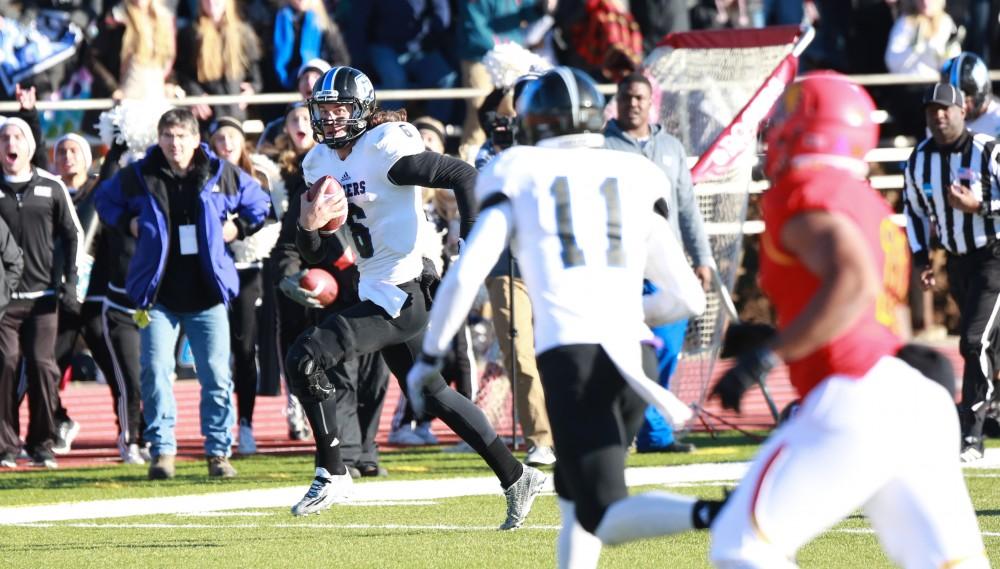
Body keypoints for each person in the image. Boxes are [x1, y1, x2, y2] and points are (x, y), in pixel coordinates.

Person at [407, 66, 707, 567]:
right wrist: (628, 310)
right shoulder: (632, 172)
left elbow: (466, 273)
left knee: (603, 511)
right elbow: (689, 299)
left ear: (532, 123)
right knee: (575, 502)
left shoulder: (518, 169)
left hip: (576, 362)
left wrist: (431, 355)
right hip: (637, 356)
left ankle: (718, 514)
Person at [707, 72, 987, 567]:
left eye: (787, 118)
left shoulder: (804, 190)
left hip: (854, 397)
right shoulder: (867, 201)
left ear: (810, 127)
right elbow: (875, 310)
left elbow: (853, 281)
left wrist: (773, 353)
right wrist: (780, 334)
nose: (775, 132)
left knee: (742, 543)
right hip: (911, 398)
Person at [285, 66, 546, 526]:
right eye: (323, 111)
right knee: (433, 393)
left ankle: (333, 470)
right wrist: (308, 226)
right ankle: (516, 476)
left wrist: (471, 245)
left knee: (305, 358)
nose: (330, 120)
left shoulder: (384, 149)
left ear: (362, 110)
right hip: (374, 285)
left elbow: (462, 174)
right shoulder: (318, 164)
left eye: (339, 109)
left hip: (404, 290)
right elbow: (313, 253)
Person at [94, 108, 270, 480]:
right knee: (155, 373)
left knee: (218, 377)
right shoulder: (140, 174)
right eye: (168, 136)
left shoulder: (221, 173)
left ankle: (218, 452)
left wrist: (237, 228)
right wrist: (126, 223)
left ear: (195, 139)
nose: (174, 144)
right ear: (159, 139)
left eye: (181, 136)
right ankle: (162, 451)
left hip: (208, 294)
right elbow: (104, 200)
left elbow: (260, 203)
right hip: (159, 297)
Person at [604, 72, 714, 454]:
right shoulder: (603, 147)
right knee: (632, 350)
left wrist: (702, 258)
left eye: (639, 97)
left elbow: (687, 207)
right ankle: (652, 434)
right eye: (626, 96)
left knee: (666, 350)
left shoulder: (671, 147)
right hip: (623, 266)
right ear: (616, 101)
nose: (632, 103)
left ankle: (648, 429)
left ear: (651, 102)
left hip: (667, 264)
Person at [902, 82, 1000, 462]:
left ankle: (971, 435)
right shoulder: (919, 159)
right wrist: (921, 256)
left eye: (945, 109)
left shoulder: (986, 150)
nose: (939, 116)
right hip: (959, 261)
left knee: (974, 342)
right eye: (931, 111)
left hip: (994, 254)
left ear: (964, 111)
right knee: (990, 346)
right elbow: (913, 210)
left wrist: (981, 205)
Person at [474, 78, 557, 466]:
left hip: (555, 261)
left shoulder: (561, 144)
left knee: (567, 350)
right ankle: (540, 438)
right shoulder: (493, 148)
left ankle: (579, 430)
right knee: (520, 353)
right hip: (508, 263)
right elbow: (487, 195)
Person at [0, 118, 80, 470]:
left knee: (43, 367)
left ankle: (42, 443)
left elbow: (73, 233)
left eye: (17, 136)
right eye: (4, 137)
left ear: (30, 147)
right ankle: (5, 445)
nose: (10, 143)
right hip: (4, 300)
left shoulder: (51, 186)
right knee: (4, 363)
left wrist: (71, 281)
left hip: (44, 297)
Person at [208, 117, 281, 455]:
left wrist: (238, 228)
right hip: (208, 273)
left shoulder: (257, 178)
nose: (226, 142)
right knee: (212, 354)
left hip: (248, 273)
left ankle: (246, 424)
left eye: (231, 136)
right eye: (219, 137)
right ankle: (216, 425)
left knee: (244, 349)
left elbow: (268, 216)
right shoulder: (203, 177)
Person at [175, 0, 263, 125]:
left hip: (236, 114)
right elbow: (182, 73)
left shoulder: (243, 33)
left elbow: (256, 75)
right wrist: (195, 94)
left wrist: (252, 89)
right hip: (206, 115)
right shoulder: (190, 33)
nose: (211, 1)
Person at [941, 52, 1000, 138]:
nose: (962, 106)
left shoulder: (997, 119)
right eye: (956, 98)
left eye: (967, 97)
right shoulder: (943, 122)